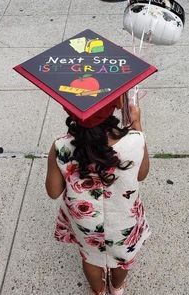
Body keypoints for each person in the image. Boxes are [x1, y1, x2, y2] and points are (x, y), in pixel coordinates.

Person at [45, 96, 151, 295]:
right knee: (121, 261)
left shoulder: (60, 147)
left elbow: (53, 192)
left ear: (68, 109)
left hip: (85, 223)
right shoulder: (135, 140)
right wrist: (136, 123)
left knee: (90, 258)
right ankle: (116, 288)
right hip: (124, 220)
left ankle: (98, 290)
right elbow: (142, 174)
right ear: (119, 104)